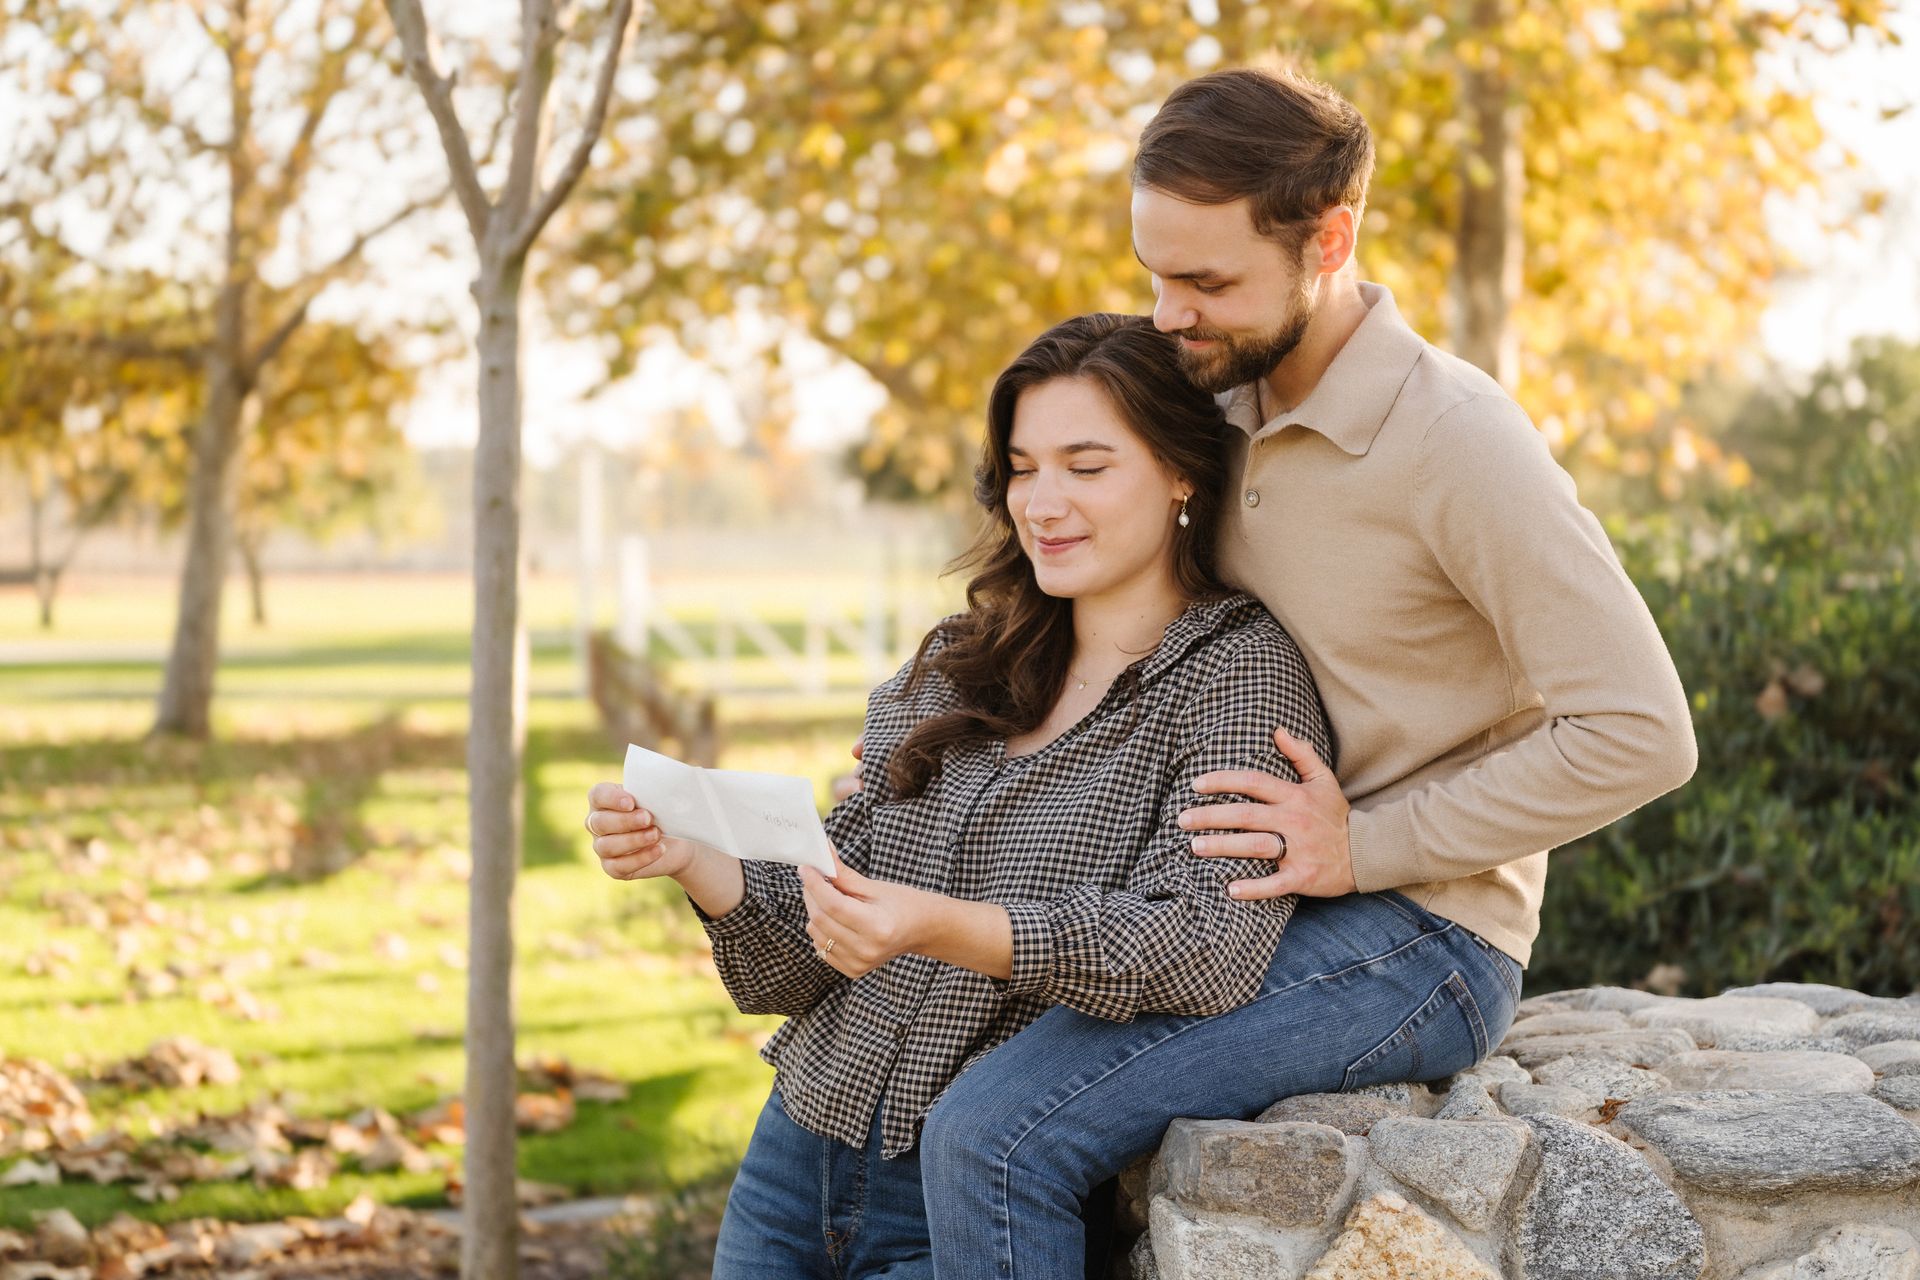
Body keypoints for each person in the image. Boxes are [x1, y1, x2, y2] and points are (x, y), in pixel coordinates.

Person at [901, 67, 1699, 1279]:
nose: (1169, 313)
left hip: (1418, 934)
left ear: (1329, 240)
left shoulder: (1456, 440)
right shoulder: (1208, 402)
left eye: (1208, 281)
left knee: (993, 1133)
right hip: (1228, 902)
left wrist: (1363, 846)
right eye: (1155, 273)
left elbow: (1641, 729)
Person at [582, 313, 1335, 1278]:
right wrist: (691, 858)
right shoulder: (958, 658)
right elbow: (799, 966)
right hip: (792, 1158)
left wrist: (942, 925)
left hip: (967, 1200)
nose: (1044, 503)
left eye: (1085, 466)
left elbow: (1204, 951)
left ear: (1182, 470)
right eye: (1023, 468)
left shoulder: (1237, 678)